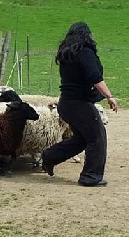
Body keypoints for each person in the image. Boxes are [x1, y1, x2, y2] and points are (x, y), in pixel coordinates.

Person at [41, 22, 119, 187]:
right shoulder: (84, 52)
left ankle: (49, 156)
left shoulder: (67, 54)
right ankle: (90, 176)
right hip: (79, 104)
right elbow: (95, 77)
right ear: (87, 35)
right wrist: (109, 96)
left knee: (82, 139)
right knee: (98, 137)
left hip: (67, 104)